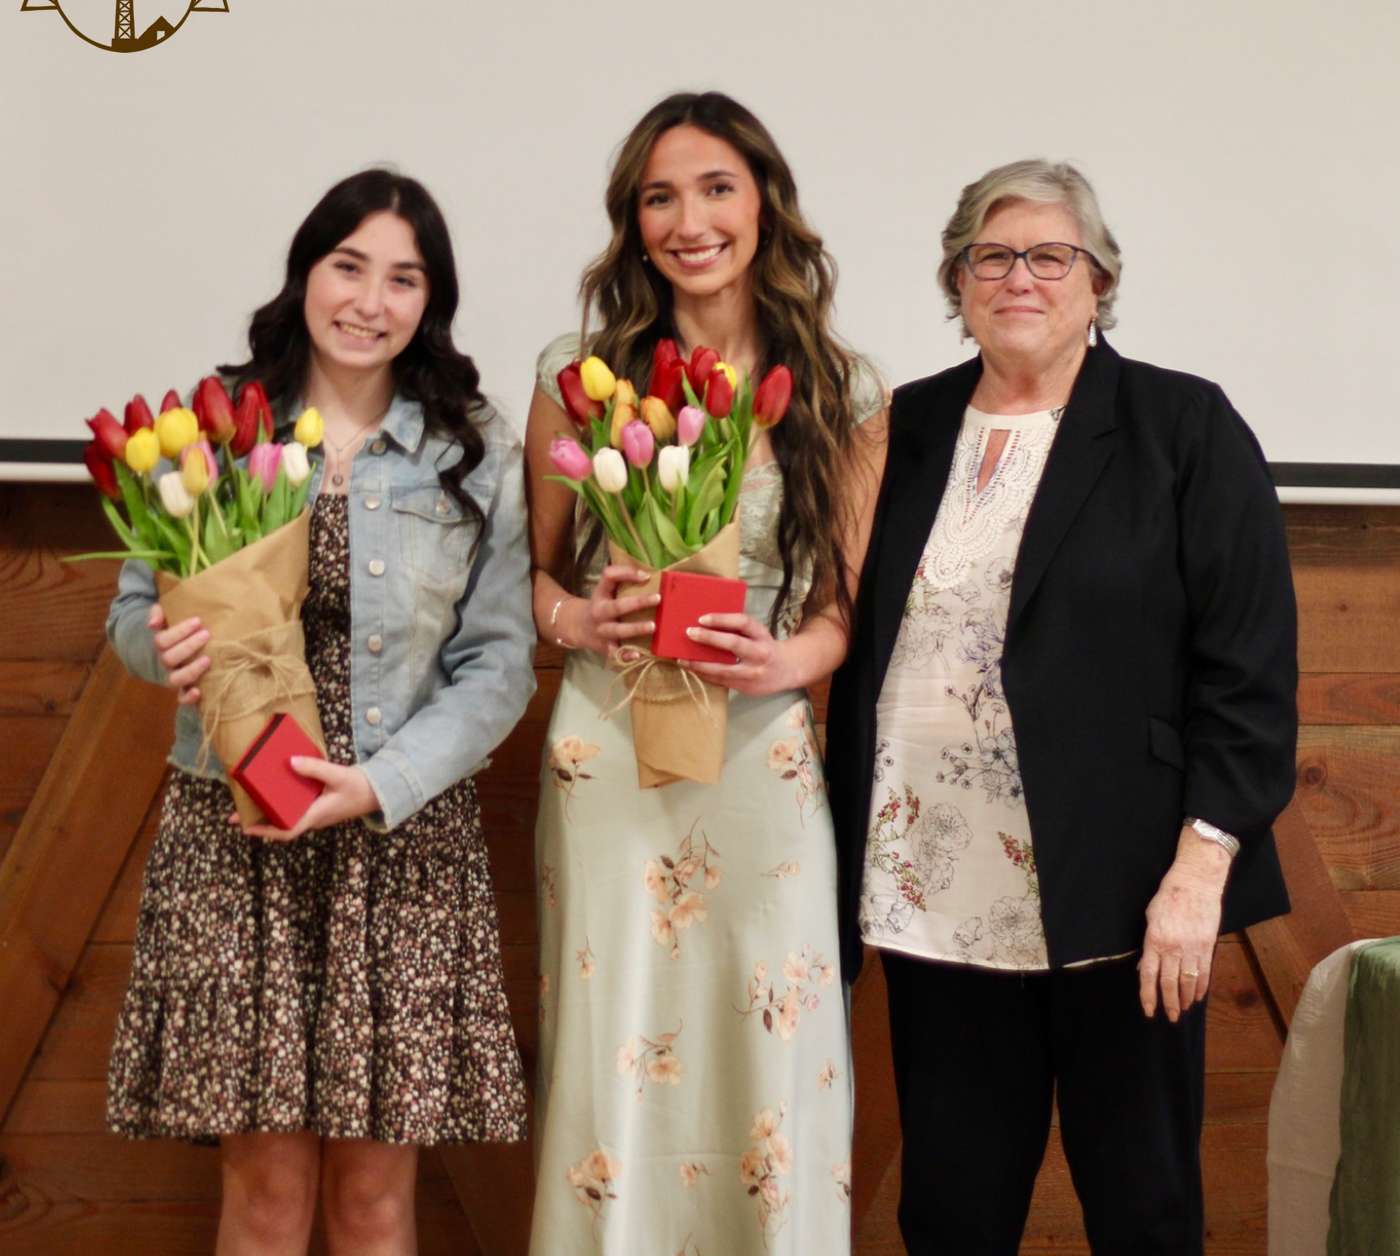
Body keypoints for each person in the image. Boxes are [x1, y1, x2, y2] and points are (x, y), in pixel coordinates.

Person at [826, 159, 1298, 1255]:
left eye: (1050, 255)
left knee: (1140, 1212)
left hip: (1122, 905)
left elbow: (1248, 674)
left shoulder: (1181, 425)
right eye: (990, 256)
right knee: (947, 1216)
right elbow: (834, 622)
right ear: (956, 280)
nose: (1018, 276)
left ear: (1099, 278)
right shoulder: (898, 427)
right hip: (932, 901)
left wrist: (1199, 867)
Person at [105, 169, 535, 1254]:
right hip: (237, 825)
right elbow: (127, 622)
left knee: (376, 1198)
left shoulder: (468, 447)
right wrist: (161, 645)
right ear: (306, 272)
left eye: (403, 277)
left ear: (427, 301)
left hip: (397, 834)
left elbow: (499, 662)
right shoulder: (214, 424)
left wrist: (375, 785)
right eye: (348, 266)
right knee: (261, 1188)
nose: (369, 299)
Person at [525, 91, 887, 1254]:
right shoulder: (574, 373)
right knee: (605, 1035)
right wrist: (581, 616)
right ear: (633, 224)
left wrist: (794, 655)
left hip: (761, 751)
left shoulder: (840, 387)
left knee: (770, 1047)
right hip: (608, 745)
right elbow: (532, 581)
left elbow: (837, 604)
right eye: (659, 196)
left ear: (764, 205)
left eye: (715, 187)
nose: (690, 219)